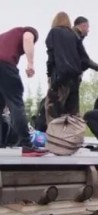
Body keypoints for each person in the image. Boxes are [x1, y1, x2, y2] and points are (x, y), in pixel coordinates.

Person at [0, 26, 47, 156]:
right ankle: (27, 146)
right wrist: (30, 63)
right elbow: (27, 38)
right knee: (16, 104)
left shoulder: (5, 36)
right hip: (4, 65)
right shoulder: (28, 31)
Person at [45, 11, 88, 125]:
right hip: (75, 77)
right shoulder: (74, 36)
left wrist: (49, 74)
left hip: (60, 77)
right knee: (72, 111)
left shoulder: (54, 33)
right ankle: (71, 138)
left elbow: (51, 57)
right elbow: (83, 58)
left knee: (52, 108)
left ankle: (55, 136)